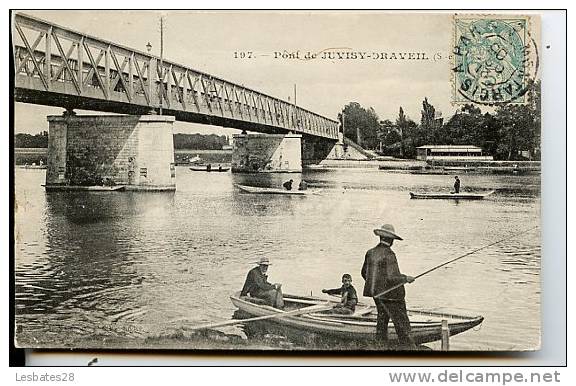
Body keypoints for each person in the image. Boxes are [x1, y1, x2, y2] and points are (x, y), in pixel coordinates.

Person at [361, 224, 416, 349]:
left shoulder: (370, 252)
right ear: (391, 240)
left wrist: (377, 287)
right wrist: (406, 278)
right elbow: (392, 278)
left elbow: (364, 273)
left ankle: (380, 348)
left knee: (382, 324)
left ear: (380, 237)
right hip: (393, 298)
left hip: (377, 296)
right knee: (403, 328)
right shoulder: (390, 254)